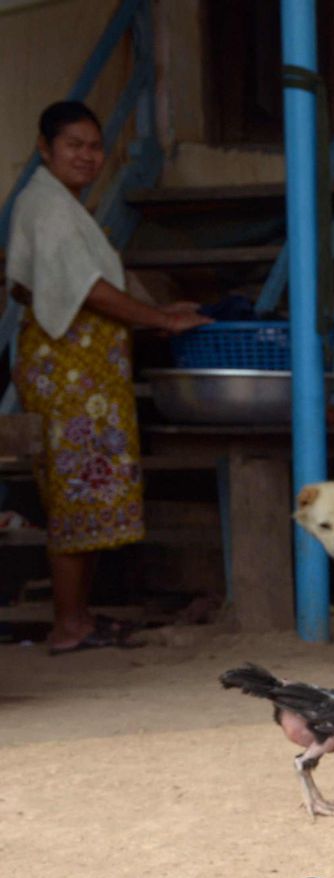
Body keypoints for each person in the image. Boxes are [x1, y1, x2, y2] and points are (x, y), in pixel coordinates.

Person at [6, 100, 207, 653]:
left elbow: (57, 283)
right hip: (69, 373)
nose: (87, 156)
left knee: (86, 495)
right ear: (45, 149)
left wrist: (156, 314)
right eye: (74, 145)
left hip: (85, 371)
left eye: (95, 147)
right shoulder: (47, 206)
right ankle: (69, 623)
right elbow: (89, 290)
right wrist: (162, 318)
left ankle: (81, 618)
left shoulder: (60, 206)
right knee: (75, 496)